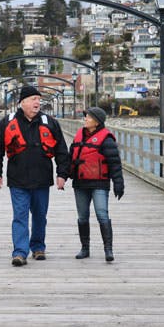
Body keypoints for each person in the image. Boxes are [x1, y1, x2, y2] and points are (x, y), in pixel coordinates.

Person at [0, 85, 70, 266]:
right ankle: (20, 252)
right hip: (18, 178)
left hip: (42, 178)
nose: (37, 102)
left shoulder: (50, 122)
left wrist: (62, 174)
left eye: (39, 100)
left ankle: (38, 247)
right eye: (33, 99)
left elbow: (62, 151)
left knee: (40, 216)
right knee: (20, 215)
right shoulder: (6, 123)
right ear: (22, 102)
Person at [69, 107, 124, 262]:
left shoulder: (106, 139)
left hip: (99, 183)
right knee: (82, 217)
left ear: (96, 121)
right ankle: (85, 248)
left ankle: (108, 249)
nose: (85, 119)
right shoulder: (79, 135)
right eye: (85, 117)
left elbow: (115, 164)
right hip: (80, 183)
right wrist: (63, 175)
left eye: (88, 117)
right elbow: (70, 156)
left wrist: (118, 184)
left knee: (102, 214)